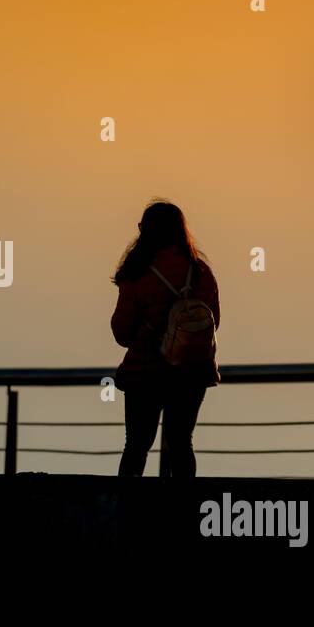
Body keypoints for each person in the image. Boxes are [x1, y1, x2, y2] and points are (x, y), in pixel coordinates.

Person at [110, 201, 220, 478]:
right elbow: (213, 321)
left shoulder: (138, 275)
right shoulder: (200, 272)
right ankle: (182, 511)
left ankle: (126, 511)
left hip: (144, 373)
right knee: (181, 443)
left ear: (145, 232)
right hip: (191, 372)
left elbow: (121, 332)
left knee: (136, 445)